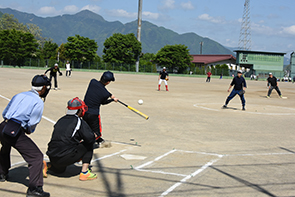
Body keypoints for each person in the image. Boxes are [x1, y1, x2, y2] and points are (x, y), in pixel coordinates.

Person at [0, 75, 51, 197]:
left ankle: (2, 173)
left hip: (3, 126)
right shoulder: (38, 101)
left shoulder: (19, 95)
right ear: (43, 88)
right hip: (15, 130)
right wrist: (28, 130)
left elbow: (5, 113)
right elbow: (32, 122)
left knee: (5, 147)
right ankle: (34, 189)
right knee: (36, 157)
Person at [45, 97, 96, 181]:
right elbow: (90, 138)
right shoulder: (79, 121)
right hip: (66, 157)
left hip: (52, 156)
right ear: (79, 110)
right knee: (89, 143)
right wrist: (93, 135)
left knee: (60, 170)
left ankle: (48, 165)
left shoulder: (60, 120)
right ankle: (84, 172)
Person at [83, 71, 119, 147]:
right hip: (94, 114)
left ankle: (96, 140)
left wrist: (110, 95)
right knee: (97, 132)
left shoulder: (92, 82)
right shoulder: (105, 93)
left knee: (87, 127)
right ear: (108, 82)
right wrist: (112, 100)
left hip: (84, 112)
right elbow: (104, 102)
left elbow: (100, 88)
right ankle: (90, 143)